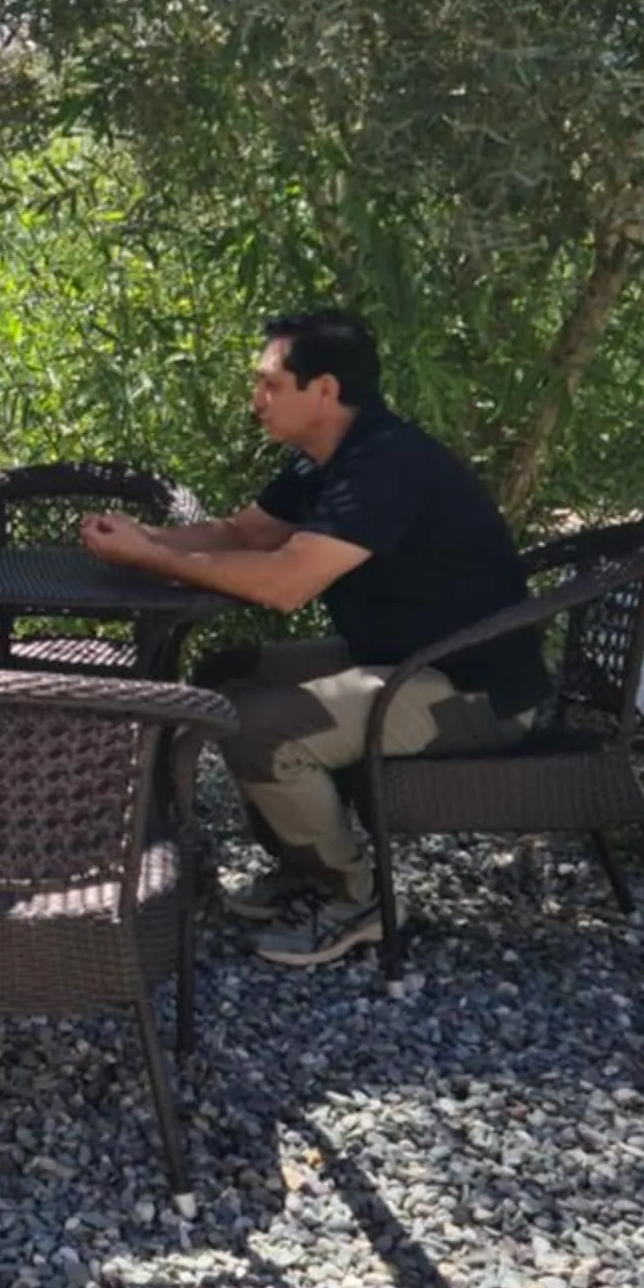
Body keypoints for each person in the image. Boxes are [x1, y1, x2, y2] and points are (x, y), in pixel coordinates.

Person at [78, 309, 549, 969]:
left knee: (256, 725)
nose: (256, 401)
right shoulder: (322, 461)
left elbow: (283, 583)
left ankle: (357, 897)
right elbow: (244, 536)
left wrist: (150, 559)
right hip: (395, 658)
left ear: (324, 390)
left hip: (470, 692)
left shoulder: (385, 464)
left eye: (270, 385)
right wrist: (144, 540)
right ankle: (305, 866)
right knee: (225, 675)